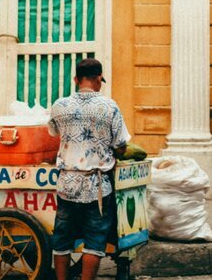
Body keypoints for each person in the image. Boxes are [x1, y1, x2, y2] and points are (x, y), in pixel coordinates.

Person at [48, 58, 130, 280]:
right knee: (94, 242)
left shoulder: (59, 106)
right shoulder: (109, 107)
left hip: (67, 184)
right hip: (97, 187)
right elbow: (121, 144)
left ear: (76, 79)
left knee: (62, 240)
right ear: (98, 79)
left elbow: (54, 133)